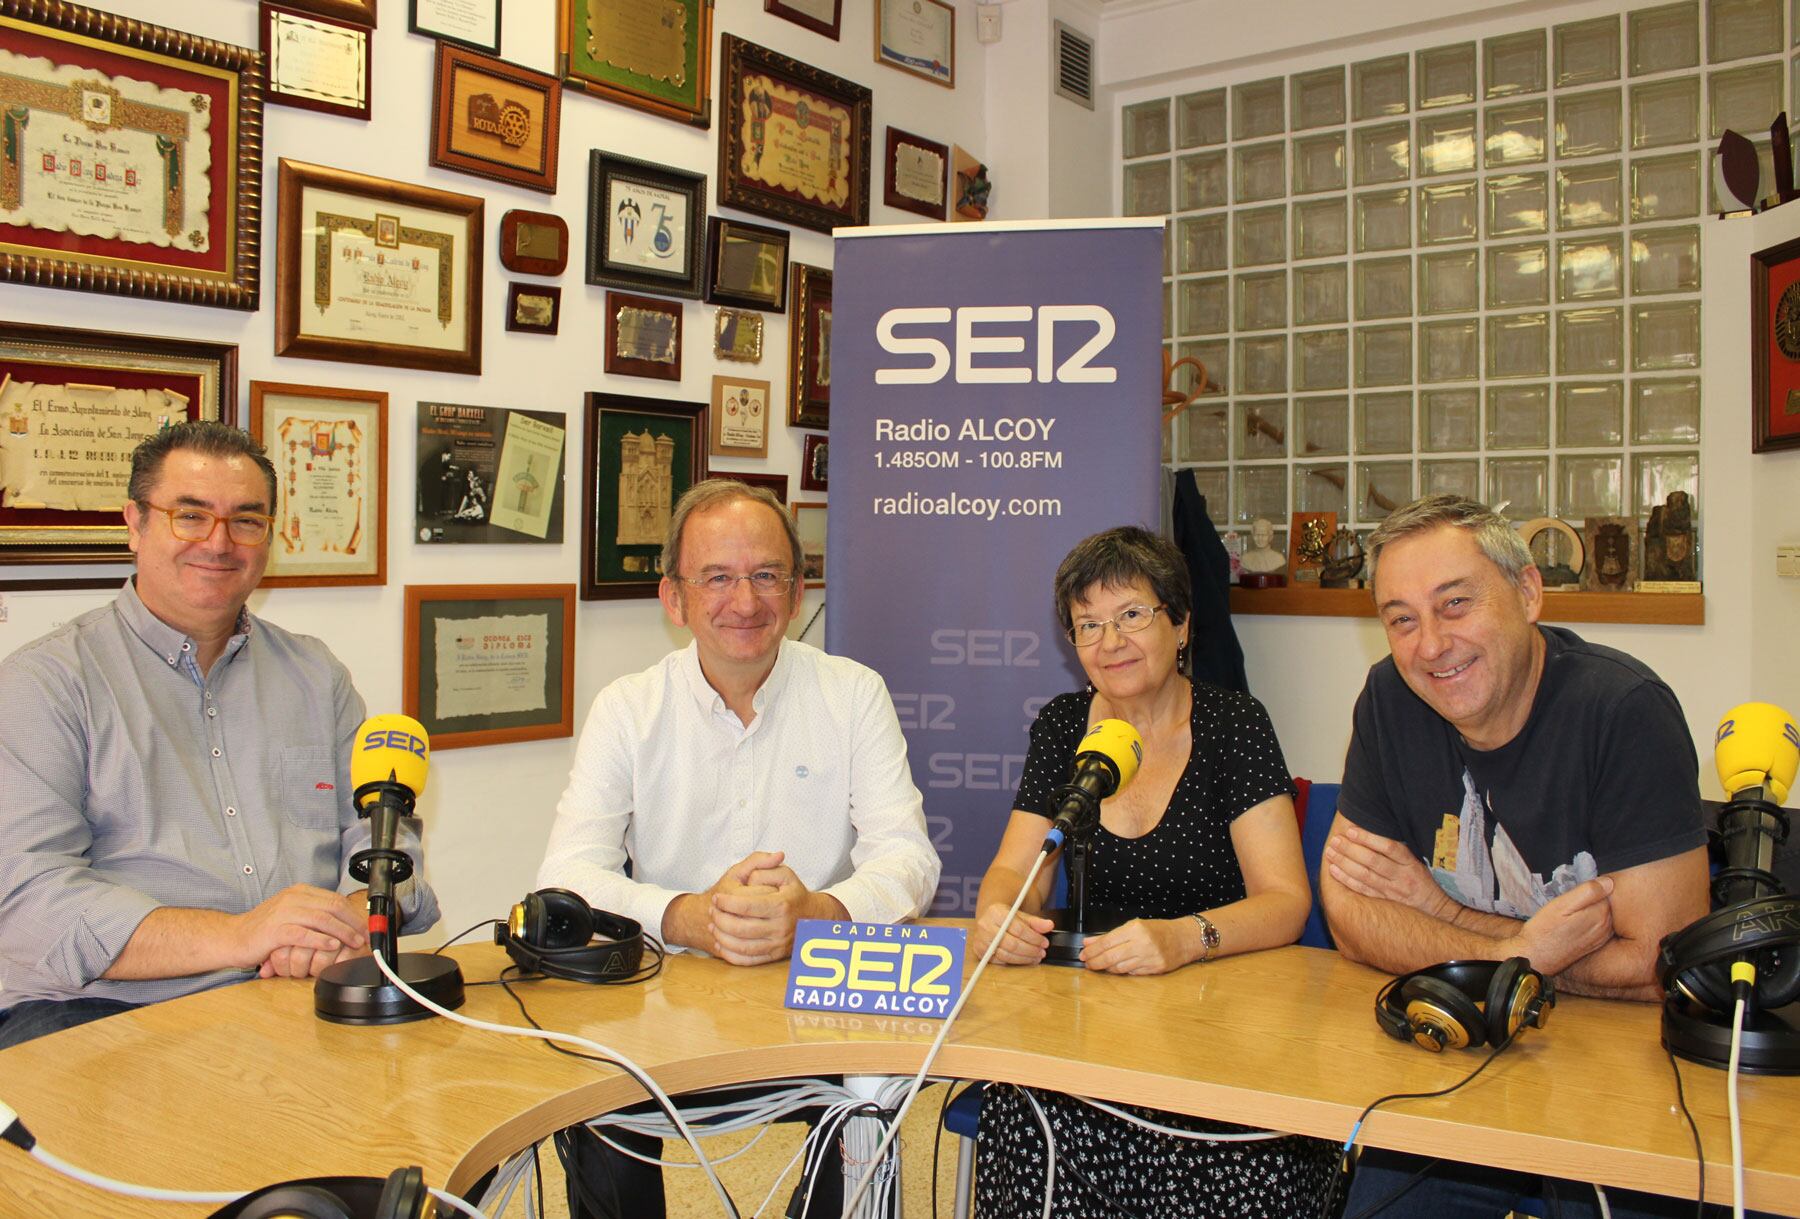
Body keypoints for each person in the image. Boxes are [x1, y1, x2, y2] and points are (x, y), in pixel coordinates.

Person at [536, 477, 940, 1218]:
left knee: (872, 1109)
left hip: (815, 998)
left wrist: (820, 909)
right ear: (675, 598)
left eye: (765, 576)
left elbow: (910, 858)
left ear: (796, 589)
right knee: (589, 1098)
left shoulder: (854, 694)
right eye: (717, 577)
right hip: (667, 1008)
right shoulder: (628, 709)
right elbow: (566, 872)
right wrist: (688, 915)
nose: (744, 601)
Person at [1320, 494, 1712, 1219]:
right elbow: (1348, 914)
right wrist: (1523, 946)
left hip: (1614, 1088)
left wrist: (1442, 919)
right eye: (1401, 618)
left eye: (1456, 604)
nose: (1430, 644)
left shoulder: (1623, 711)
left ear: (1528, 592)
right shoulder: (1389, 697)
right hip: (1455, 1068)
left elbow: (1665, 962)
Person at [0, 421, 438, 1051]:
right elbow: (27, 900)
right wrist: (240, 935)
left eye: (246, 520)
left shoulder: (317, 675)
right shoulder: (46, 683)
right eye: (190, 515)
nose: (219, 542)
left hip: (297, 993)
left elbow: (381, 837)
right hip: (103, 1014)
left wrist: (354, 915)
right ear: (135, 522)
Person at [968, 526, 1332, 1218]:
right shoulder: (1064, 725)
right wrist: (999, 915)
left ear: (1182, 623)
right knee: (1022, 1115)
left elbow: (1285, 901)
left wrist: (1181, 938)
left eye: (1132, 614)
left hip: (1222, 1029)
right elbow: (1017, 868)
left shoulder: (1235, 724)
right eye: (1088, 625)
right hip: (1096, 1022)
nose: (1111, 642)